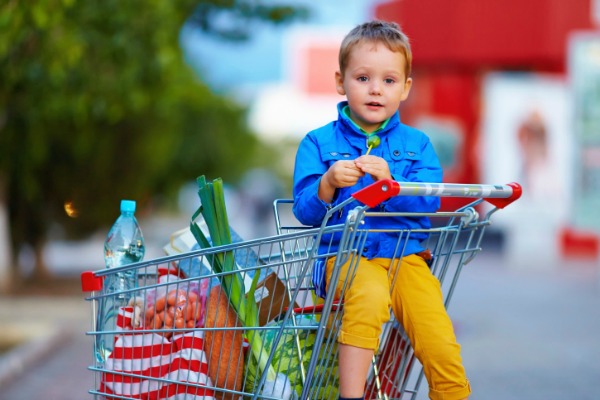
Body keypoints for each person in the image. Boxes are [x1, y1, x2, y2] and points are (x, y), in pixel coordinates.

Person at [292, 20, 471, 400]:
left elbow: (430, 200)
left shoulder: (418, 144)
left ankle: (453, 393)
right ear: (341, 82)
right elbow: (304, 213)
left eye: (389, 81)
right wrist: (325, 185)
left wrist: (392, 184)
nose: (376, 89)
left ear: (405, 87)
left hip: (407, 256)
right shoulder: (318, 143)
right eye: (363, 78)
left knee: (435, 330)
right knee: (369, 297)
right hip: (344, 256)